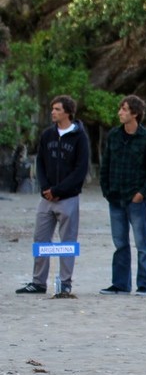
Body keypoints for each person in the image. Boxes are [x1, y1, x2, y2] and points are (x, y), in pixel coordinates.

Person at [17, 95, 90, 298]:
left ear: (67, 112)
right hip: (46, 198)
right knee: (41, 239)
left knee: (67, 241)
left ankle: (65, 283)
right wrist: (46, 188)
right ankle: (38, 282)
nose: (53, 112)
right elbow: (40, 162)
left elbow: (80, 169)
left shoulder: (80, 137)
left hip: (68, 198)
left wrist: (59, 190)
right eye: (52, 109)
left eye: (57, 109)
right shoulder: (47, 135)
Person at [99, 95, 146, 295]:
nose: (120, 113)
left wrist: (142, 193)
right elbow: (105, 164)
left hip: (136, 199)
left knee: (142, 244)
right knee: (120, 244)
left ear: (135, 113)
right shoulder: (113, 136)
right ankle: (120, 284)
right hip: (115, 198)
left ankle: (143, 285)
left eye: (124, 109)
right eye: (121, 109)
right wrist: (106, 190)